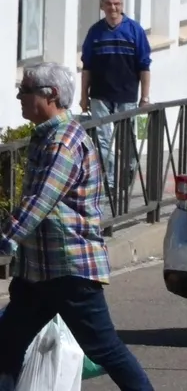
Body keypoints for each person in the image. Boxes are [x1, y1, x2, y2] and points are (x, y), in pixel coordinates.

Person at [0, 62, 153, 391]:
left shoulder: (63, 143)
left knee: (105, 349)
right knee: (6, 347)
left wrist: (5, 240)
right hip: (40, 273)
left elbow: (40, 201)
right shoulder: (48, 137)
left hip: (70, 271)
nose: (18, 96)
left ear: (49, 95)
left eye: (24, 90)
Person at [79, 0, 152, 193]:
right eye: (109, 4)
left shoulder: (134, 30)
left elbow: (144, 66)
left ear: (122, 5)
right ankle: (109, 181)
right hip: (100, 95)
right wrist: (84, 96)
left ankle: (129, 168)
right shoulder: (95, 32)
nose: (113, 8)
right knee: (103, 140)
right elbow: (87, 67)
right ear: (102, 6)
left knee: (127, 138)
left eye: (117, 4)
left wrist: (145, 97)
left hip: (127, 95)